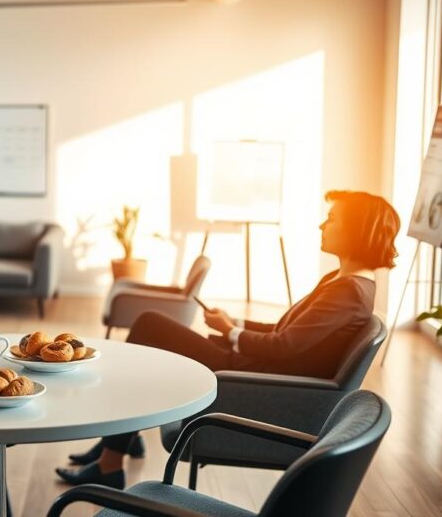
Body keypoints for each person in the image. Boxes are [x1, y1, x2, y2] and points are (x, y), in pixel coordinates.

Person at [56, 190, 401, 489]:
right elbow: (289, 331)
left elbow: (283, 346)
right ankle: (118, 445)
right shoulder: (347, 283)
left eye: (332, 219)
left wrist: (233, 334)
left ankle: (112, 456)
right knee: (155, 337)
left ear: (357, 230)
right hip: (259, 370)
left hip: (253, 379)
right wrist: (232, 324)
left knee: (150, 326)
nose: (323, 225)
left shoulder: (349, 292)